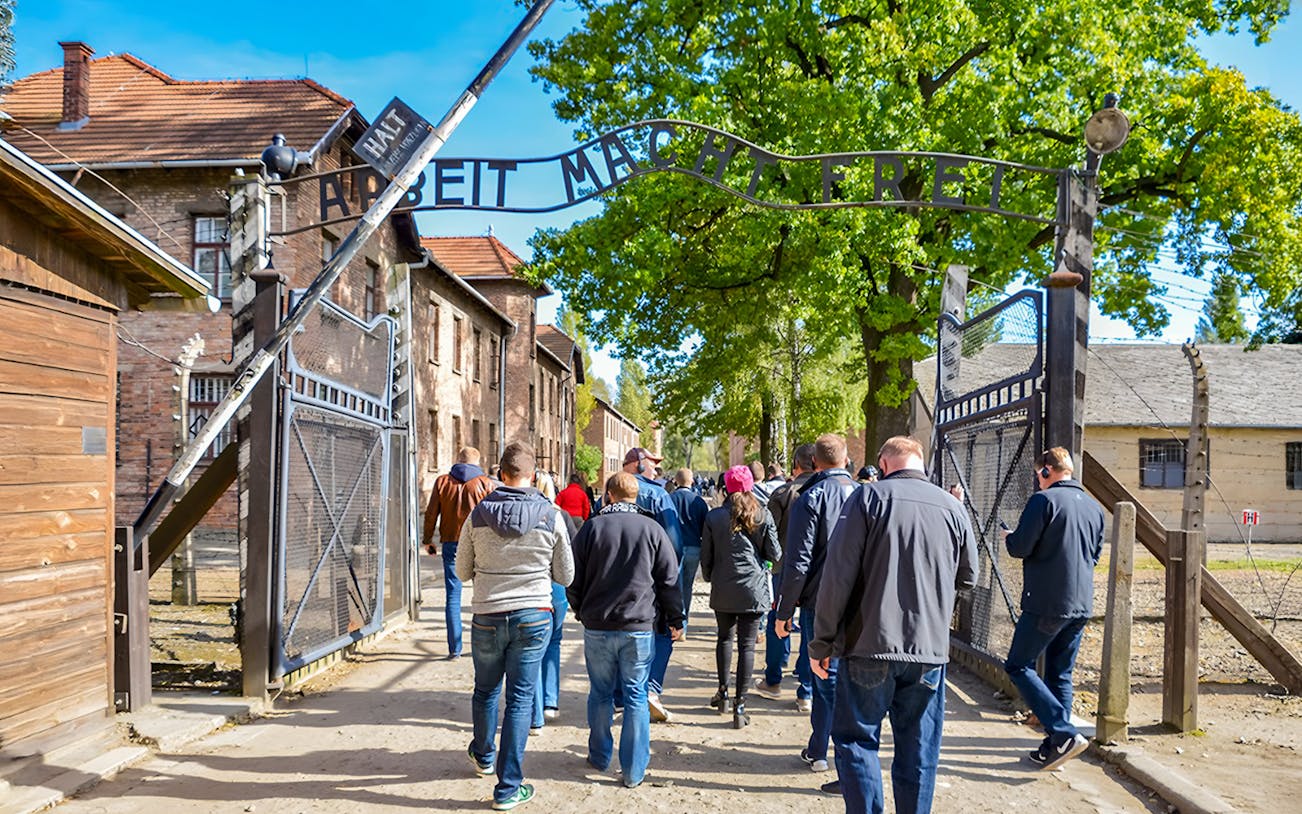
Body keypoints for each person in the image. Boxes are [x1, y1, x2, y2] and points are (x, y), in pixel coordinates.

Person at [812, 435, 978, 812]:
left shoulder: (868, 499)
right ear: (920, 462)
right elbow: (969, 577)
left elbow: (837, 577)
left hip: (869, 642)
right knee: (918, 748)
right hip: (928, 649)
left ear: (884, 465)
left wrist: (822, 642)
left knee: (857, 741)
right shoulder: (952, 508)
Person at [457, 442, 574, 811]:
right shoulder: (551, 515)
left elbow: (461, 572)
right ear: (534, 475)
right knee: (521, 699)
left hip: (488, 615)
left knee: (486, 691)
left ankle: (484, 754)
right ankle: (508, 788)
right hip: (534, 615)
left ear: (501, 474)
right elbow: (566, 575)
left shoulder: (477, 515)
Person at [568, 472, 685, 789]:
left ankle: (600, 755)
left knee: (601, 692)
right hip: (638, 626)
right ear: (637, 497)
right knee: (635, 695)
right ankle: (633, 770)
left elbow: (572, 576)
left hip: (598, 624)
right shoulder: (653, 529)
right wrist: (676, 619)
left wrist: (580, 609)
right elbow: (669, 580)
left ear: (608, 495)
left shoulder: (592, 528)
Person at [1001, 447, 1105, 771]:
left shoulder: (1043, 501)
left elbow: (1020, 547)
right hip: (1081, 602)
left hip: (1046, 600)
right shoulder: (1094, 507)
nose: (1038, 481)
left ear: (1046, 471)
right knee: (1061, 672)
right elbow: (1095, 554)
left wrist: (1008, 537)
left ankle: (1062, 732)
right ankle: (1055, 745)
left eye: (1039, 475)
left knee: (1018, 665)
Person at [775, 433, 857, 774]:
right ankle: (824, 748)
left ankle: (836, 753)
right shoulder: (866, 496)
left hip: (818, 600)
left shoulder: (810, 498)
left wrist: (783, 612)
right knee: (840, 677)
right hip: (858, 600)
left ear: (814, 463)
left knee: (825, 677)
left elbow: (798, 563)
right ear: (846, 459)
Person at [701, 465, 781, 728]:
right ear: (750, 486)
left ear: (726, 488)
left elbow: (707, 557)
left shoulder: (714, 517)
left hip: (724, 586)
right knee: (747, 646)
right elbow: (775, 554)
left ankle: (723, 693)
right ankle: (741, 705)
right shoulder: (762, 514)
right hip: (753, 588)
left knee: (724, 639)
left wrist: (712, 576)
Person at [617, 447, 684, 722]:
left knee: (617, 633)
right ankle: (651, 688)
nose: (656, 470)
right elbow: (674, 543)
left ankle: (619, 696)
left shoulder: (610, 494)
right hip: (651, 578)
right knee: (662, 631)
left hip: (615, 579)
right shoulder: (658, 495)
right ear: (638, 465)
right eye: (653, 465)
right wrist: (669, 574)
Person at [754, 443, 815, 707]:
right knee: (813, 626)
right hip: (817, 570)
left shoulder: (783, 492)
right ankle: (807, 689)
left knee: (779, 619)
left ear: (796, 465)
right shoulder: (828, 491)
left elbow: (767, 532)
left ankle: (774, 678)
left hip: (785, 568)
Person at [422, 447, 495, 658]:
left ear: (458, 460)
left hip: (452, 543)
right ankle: (482, 647)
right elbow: (492, 516)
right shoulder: (485, 483)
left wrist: (428, 540)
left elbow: (430, 513)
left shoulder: (443, 482)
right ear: (477, 462)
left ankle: (455, 648)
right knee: (482, 595)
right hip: (479, 544)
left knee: (453, 596)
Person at [533, 508, 581, 730]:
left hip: (530, 589)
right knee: (553, 643)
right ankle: (550, 702)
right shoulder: (559, 516)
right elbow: (572, 551)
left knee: (531, 651)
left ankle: (535, 714)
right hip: (556, 588)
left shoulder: (514, 513)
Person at [669, 467, 710, 630]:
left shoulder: (669, 498)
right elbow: (704, 528)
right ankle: (683, 625)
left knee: (673, 585)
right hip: (694, 546)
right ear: (692, 481)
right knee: (687, 586)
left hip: (674, 547)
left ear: (675, 481)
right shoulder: (698, 501)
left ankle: (674, 624)